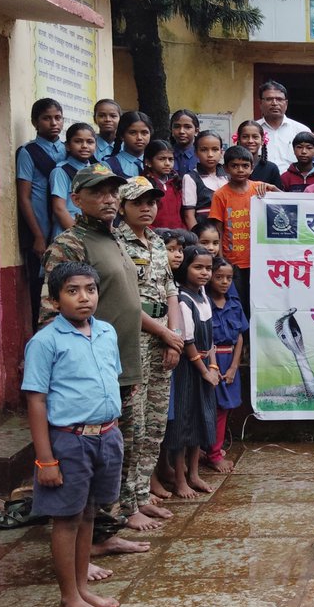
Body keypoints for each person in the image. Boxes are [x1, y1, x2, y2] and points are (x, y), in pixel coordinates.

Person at [41, 165, 146, 551]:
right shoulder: (70, 245)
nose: (108, 199)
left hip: (122, 363)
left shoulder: (114, 236)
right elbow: (51, 315)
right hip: (91, 376)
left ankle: (105, 532)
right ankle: (92, 542)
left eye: (112, 192)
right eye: (98, 192)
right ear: (77, 199)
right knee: (91, 462)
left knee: (119, 454)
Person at [23, 261, 124, 607]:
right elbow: (36, 400)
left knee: (87, 515)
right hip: (69, 442)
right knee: (66, 520)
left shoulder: (107, 332)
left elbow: (110, 378)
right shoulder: (45, 342)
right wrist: (45, 459)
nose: (84, 298)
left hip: (106, 436)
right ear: (54, 300)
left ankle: (82, 589)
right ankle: (68, 599)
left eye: (90, 289)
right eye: (73, 291)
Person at [114, 177, 182, 526]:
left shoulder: (156, 240)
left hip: (162, 339)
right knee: (133, 426)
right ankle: (125, 507)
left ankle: (142, 497)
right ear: (123, 206)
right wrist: (166, 334)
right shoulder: (117, 242)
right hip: (135, 340)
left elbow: (171, 289)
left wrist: (176, 336)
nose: (147, 207)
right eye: (139, 202)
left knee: (155, 426)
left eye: (152, 201)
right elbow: (125, 301)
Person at [164, 246, 217, 499]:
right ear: (185, 268)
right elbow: (188, 342)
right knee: (183, 424)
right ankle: (179, 479)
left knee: (200, 420)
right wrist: (204, 370)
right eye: (198, 267)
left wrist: (214, 366)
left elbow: (211, 339)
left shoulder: (203, 296)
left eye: (208, 268)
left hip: (206, 366)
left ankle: (195, 473)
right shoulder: (183, 300)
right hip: (189, 369)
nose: (205, 273)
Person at [17, 98, 66, 319]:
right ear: (35, 122)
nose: (53, 123)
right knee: (41, 289)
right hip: (41, 229)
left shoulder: (69, 149)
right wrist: (37, 235)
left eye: (57, 118)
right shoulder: (28, 152)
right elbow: (24, 197)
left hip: (63, 228)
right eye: (46, 118)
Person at [209, 145, 268, 310]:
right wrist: (221, 261)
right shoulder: (220, 195)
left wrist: (272, 189)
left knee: (257, 304)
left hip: (258, 260)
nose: (240, 170)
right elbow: (218, 231)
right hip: (233, 261)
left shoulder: (259, 188)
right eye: (235, 166)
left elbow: (283, 203)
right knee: (238, 303)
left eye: (245, 166)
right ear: (226, 168)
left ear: (252, 167)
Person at [206, 257, 246, 473]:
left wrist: (233, 367)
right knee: (214, 409)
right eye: (219, 277)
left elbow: (239, 337)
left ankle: (215, 448)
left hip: (229, 360)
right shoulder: (205, 304)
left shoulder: (234, 304)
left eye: (228, 278)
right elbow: (207, 338)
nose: (224, 282)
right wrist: (214, 366)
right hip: (211, 361)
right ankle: (212, 454)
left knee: (225, 409)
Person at [49, 122, 99, 236]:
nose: (84, 146)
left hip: (90, 233)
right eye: (78, 141)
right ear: (67, 146)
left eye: (90, 142)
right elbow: (59, 209)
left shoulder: (96, 170)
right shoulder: (61, 171)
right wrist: (79, 236)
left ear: (95, 146)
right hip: (67, 234)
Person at [256, 80, 312, 172]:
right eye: (269, 99)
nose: (274, 103)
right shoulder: (252, 131)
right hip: (259, 184)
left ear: (286, 104)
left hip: (292, 184)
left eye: (279, 99)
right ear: (260, 103)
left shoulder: (301, 130)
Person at [182, 130, 227, 229]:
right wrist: (199, 240)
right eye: (204, 150)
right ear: (196, 153)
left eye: (215, 149)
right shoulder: (191, 178)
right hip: (205, 232)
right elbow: (189, 215)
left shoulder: (228, 176)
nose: (210, 154)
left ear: (221, 152)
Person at [143, 140, 184, 230]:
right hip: (154, 236)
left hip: (178, 235)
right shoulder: (144, 185)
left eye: (170, 159)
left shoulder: (176, 183)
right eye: (161, 159)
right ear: (148, 162)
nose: (167, 163)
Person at [235, 120, 283, 189]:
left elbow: (279, 197)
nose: (250, 141)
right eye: (245, 137)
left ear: (262, 140)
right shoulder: (231, 166)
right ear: (239, 140)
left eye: (255, 137)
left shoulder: (271, 168)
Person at [105, 111, 152, 179]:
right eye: (133, 133)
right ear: (122, 136)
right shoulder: (108, 166)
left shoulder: (158, 163)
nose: (139, 138)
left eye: (144, 133)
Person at [169, 110, 200, 177]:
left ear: (196, 131)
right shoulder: (165, 155)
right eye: (177, 126)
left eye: (187, 127)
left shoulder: (201, 156)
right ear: (171, 130)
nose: (181, 131)